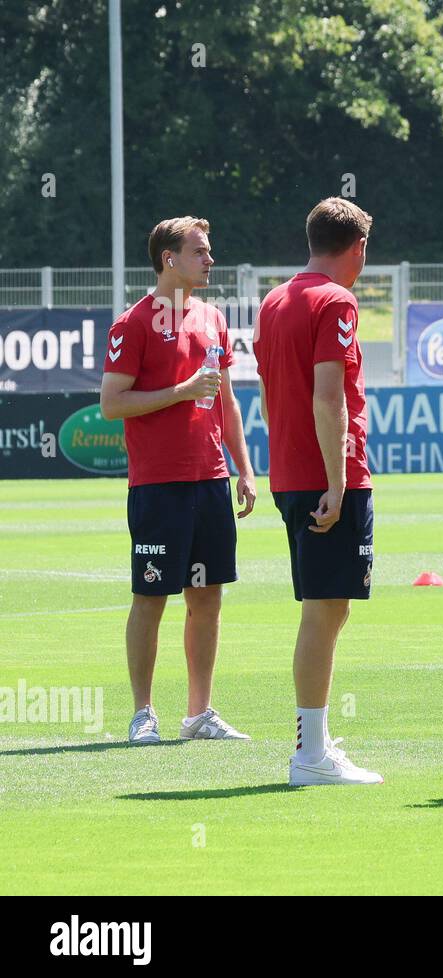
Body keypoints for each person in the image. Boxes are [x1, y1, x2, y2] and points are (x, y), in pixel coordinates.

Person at [100, 216, 256, 745]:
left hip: (210, 480)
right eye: (200, 251)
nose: (210, 259)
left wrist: (244, 468)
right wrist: (182, 390)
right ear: (170, 258)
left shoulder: (214, 318)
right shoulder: (133, 323)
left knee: (207, 598)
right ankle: (143, 713)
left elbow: (228, 402)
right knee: (151, 597)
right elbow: (111, 403)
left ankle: (200, 713)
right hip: (158, 485)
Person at [254, 197, 381, 786]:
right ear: (356, 247)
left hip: (291, 472)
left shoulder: (275, 300)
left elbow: (270, 390)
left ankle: (317, 739)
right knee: (325, 612)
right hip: (329, 477)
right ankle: (309, 755)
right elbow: (327, 395)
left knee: (325, 610)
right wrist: (336, 482)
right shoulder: (336, 300)